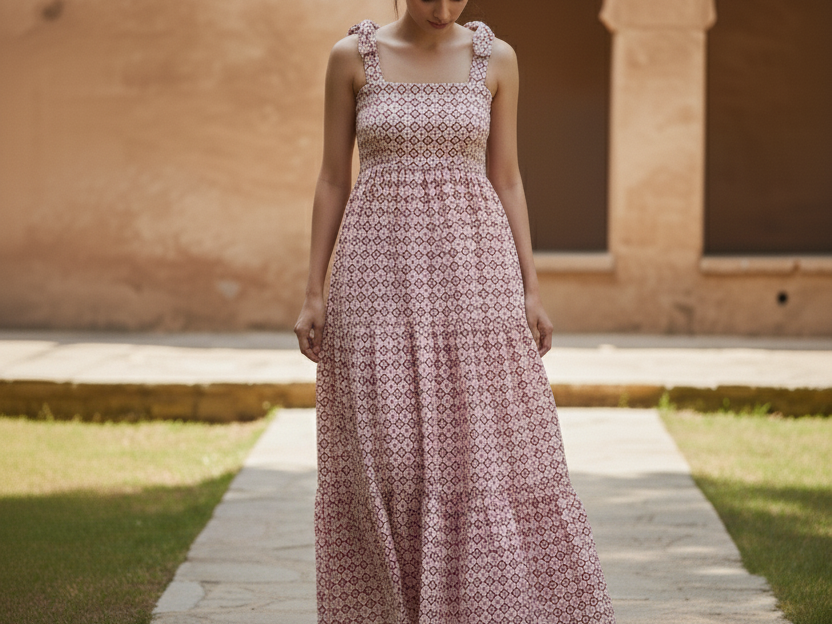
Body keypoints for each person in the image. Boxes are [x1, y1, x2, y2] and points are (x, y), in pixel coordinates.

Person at [294, 1, 617, 622]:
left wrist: (530, 287)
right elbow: (334, 178)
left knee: (481, 448)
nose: (442, 9)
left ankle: (484, 607)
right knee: (389, 451)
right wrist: (315, 289)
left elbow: (509, 177)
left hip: (476, 273)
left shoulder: (496, 59)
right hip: (375, 275)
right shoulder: (350, 58)